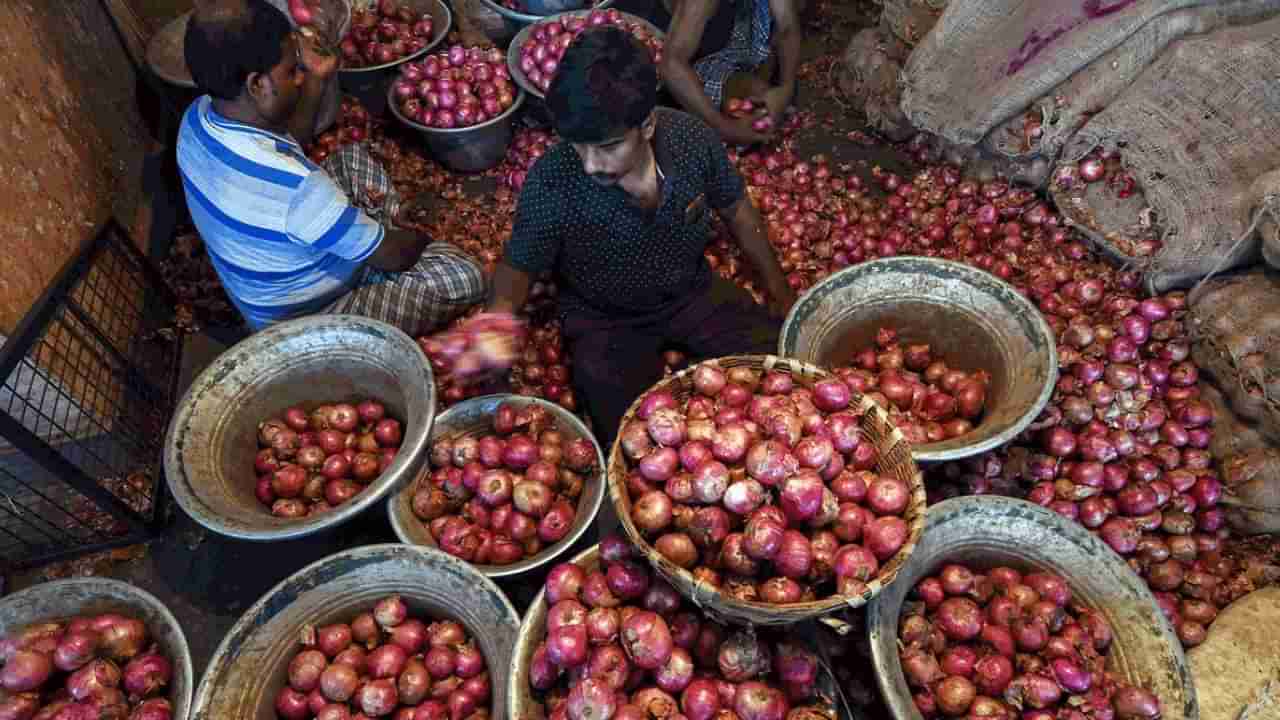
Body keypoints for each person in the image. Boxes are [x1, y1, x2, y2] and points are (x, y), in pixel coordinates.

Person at [484, 26, 796, 442]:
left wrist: (778, 287)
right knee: (630, 436)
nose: (591, 164)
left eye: (608, 146)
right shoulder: (553, 179)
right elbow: (517, 267)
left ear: (647, 124)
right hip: (604, 318)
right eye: (579, 146)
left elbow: (736, 207)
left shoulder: (690, 140)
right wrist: (495, 326)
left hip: (690, 293)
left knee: (779, 361)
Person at [176, 0, 486, 336]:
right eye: (292, 71)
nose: (299, 78)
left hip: (266, 286)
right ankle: (368, 233)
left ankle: (359, 230)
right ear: (257, 85)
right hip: (304, 322)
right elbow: (395, 258)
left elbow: (291, 139)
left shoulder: (197, 118)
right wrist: (421, 239)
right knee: (461, 274)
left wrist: (317, 79)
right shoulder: (298, 187)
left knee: (350, 157)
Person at [622, 0, 803, 145]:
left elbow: (787, 24)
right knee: (749, 103)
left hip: (734, 22)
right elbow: (671, 64)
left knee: (760, 101)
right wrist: (725, 130)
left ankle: (755, 70)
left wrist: (785, 89)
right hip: (691, 45)